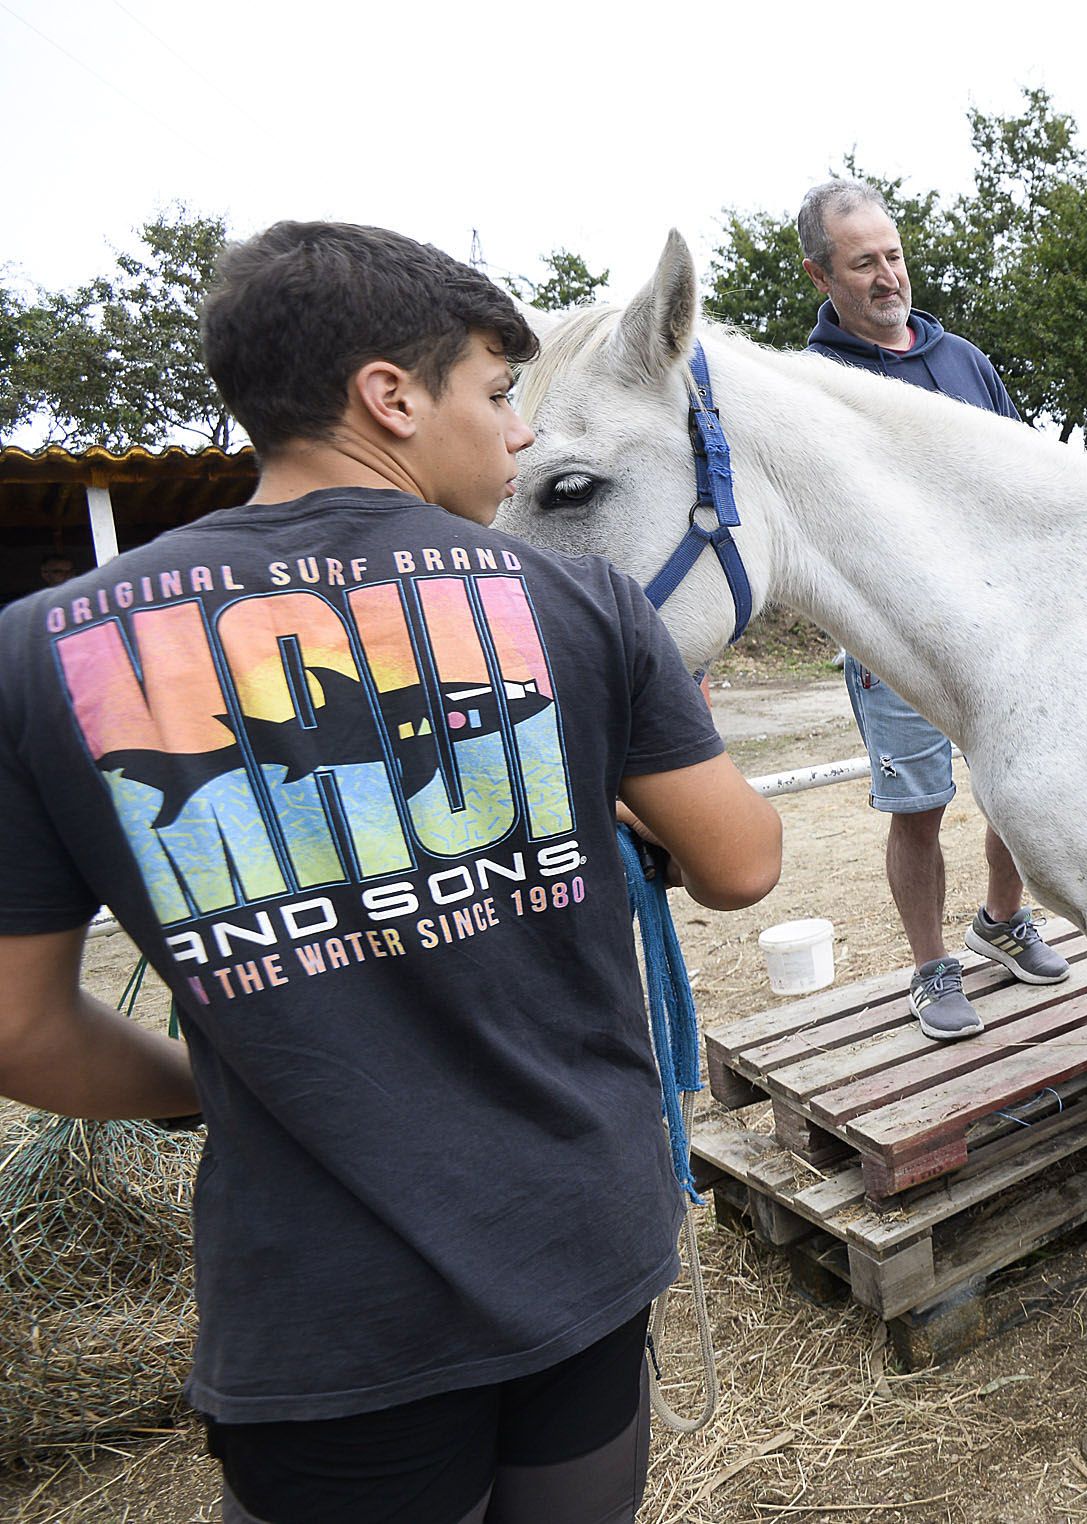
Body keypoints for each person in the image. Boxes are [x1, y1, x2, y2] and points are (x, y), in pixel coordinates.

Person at [0, 221, 782, 1524]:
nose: (518, 435)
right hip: (577, 1243)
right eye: (494, 394)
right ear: (390, 396)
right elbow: (745, 862)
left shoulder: (42, 650)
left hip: (320, 1308)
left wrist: (215, 1088)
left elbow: (20, 1029)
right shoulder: (577, 606)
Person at [797, 179, 1067, 1040]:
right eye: (861, 263)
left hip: (1001, 630)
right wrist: (860, 631)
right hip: (894, 642)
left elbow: (1024, 479)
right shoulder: (813, 387)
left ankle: (998, 922)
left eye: (893, 256)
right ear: (819, 276)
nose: (885, 277)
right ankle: (929, 968)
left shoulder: (964, 361)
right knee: (917, 807)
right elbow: (817, 532)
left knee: (1014, 794)